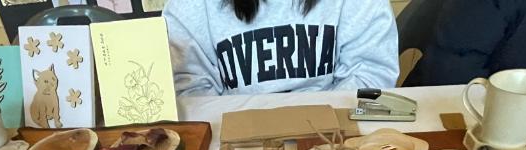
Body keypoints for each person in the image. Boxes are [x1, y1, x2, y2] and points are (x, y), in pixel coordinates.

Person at [163, 0, 399, 97]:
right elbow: (189, 89)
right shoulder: (189, 6)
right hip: (231, 139)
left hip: (332, 135)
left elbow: (371, 74)